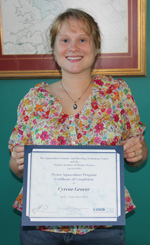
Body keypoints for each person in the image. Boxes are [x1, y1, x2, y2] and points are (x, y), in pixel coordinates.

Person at [8, 8, 148, 245]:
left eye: (82, 39)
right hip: (41, 227)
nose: (73, 48)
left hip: (103, 227)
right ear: (54, 48)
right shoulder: (34, 99)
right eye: (64, 40)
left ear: (96, 48)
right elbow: (15, 164)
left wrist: (137, 152)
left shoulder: (117, 93)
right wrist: (19, 162)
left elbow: (141, 151)